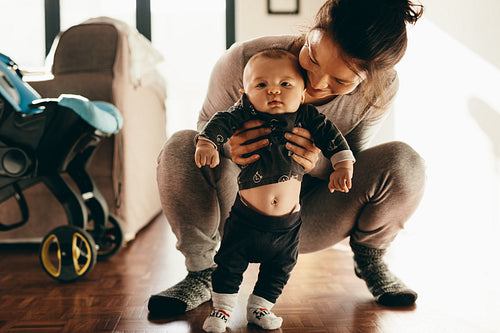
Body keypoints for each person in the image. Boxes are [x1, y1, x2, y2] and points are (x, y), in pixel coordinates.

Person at [149, 0, 426, 319]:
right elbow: (205, 128)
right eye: (312, 57)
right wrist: (228, 148)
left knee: (406, 163)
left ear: (368, 79)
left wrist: (319, 162)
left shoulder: (382, 88)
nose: (317, 83)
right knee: (182, 144)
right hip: (239, 210)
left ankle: (370, 258)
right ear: (313, 30)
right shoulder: (245, 59)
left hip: (306, 221)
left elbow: (352, 163)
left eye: (340, 82)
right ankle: (202, 271)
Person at [196, 49, 355, 332]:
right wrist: (208, 143)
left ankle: (260, 307)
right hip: (246, 218)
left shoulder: (308, 117)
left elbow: (333, 138)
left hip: (288, 224)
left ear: (303, 92)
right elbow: (219, 121)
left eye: (285, 84)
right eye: (261, 85)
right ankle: (221, 309)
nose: (274, 91)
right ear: (245, 93)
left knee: (280, 269)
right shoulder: (243, 112)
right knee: (229, 264)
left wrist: (342, 166)